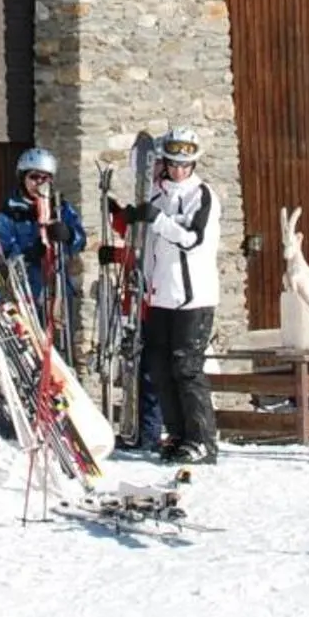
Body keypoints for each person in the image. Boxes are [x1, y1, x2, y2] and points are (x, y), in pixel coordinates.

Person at [115, 126, 223, 465]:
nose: (177, 171)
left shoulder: (201, 194)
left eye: (184, 165)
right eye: (172, 163)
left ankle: (202, 439)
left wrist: (159, 221)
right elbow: (148, 244)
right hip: (159, 296)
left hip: (193, 297)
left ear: (193, 164)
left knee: (187, 367)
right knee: (161, 368)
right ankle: (177, 434)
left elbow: (194, 238)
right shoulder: (157, 194)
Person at [0, 148, 87, 350]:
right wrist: (29, 253)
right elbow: (2, 253)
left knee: (61, 349)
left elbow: (80, 239)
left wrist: (68, 234)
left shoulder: (60, 208)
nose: (39, 183)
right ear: (23, 178)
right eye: (34, 177)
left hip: (58, 289)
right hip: (28, 292)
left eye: (44, 178)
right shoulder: (10, 213)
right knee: (33, 350)